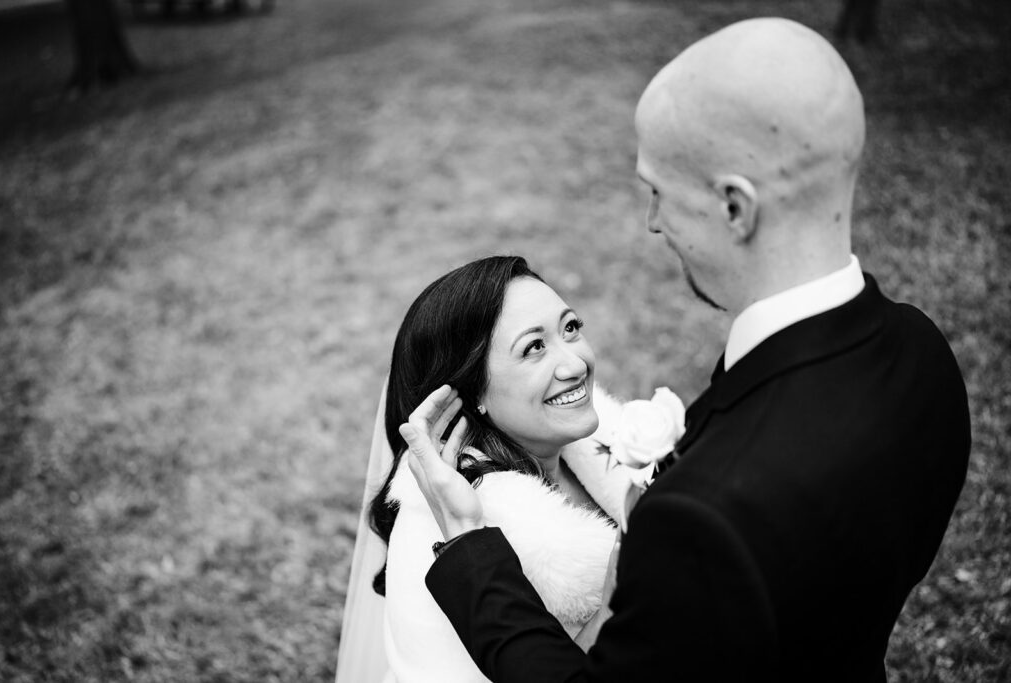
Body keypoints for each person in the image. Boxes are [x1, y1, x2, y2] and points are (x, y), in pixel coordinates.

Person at [398, 17, 972, 682]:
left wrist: (471, 549)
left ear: (735, 207)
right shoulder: (924, 356)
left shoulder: (704, 519)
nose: (651, 220)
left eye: (659, 191)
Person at [337, 256, 638, 682]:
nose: (575, 364)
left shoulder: (608, 452)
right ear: (472, 391)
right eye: (534, 347)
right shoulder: (447, 532)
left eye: (570, 328)